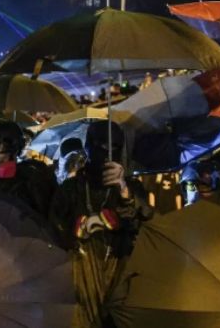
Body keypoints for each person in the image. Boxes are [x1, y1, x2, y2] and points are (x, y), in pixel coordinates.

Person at [49, 121, 152, 327]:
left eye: (113, 148)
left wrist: (124, 192)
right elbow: (54, 226)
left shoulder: (129, 186)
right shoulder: (72, 187)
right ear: (89, 147)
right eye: (101, 147)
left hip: (118, 266)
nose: (106, 153)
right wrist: (78, 227)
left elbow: (144, 221)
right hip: (81, 269)